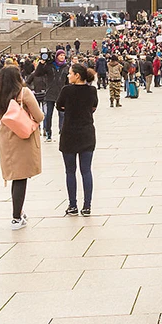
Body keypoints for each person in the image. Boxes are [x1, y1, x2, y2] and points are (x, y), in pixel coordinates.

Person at [0, 66, 44, 230]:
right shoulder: (23, 93)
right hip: (22, 137)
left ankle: (18, 212)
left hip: (6, 136)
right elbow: (40, 115)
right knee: (21, 177)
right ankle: (16, 217)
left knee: (15, 175)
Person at [56, 64, 98, 217]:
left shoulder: (66, 90)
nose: (68, 76)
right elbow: (94, 106)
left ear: (77, 76)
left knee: (70, 171)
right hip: (87, 133)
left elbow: (58, 106)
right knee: (86, 171)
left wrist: (69, 109)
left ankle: (72, 205)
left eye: (70, 73)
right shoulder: (92, 90)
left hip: (69, 134)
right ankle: (87, 206)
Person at [36, 50, 71, 143]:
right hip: (50, 93)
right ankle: (48, 132)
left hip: (62, 94)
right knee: (48, 115)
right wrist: (41, 63)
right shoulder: (49, 66)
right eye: (60, 55)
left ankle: (62, 131)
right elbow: (38, 74)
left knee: (62, 114)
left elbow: (68, 82)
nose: (62, 57)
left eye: (63, 55)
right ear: (56, 56)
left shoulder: (66, 67)